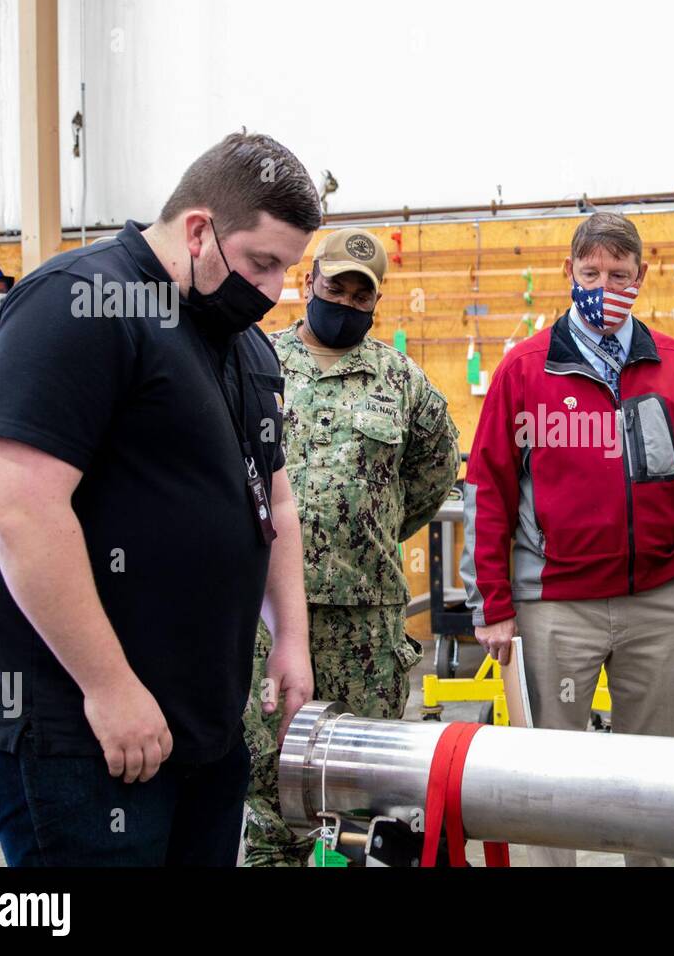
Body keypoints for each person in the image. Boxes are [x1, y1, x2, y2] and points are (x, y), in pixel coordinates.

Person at [0, 131, 319, 865]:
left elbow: (272, 500)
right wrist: (110, 686)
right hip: (79, 734)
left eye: (286, 268)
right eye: (261, 262)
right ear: (197, 231)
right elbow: (21, 507)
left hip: (201, 727)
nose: (275, 290)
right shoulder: (80, 304)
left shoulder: (240, 341)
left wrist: (291, 637)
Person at [461, 212, 674, 866]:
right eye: (591, 274)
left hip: (661, 603)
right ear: (569, 275)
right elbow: (488, 487)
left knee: (654, 774)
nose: (604, 286)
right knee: (553, 780)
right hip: (558, 608)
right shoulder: (525, 370)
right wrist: (492, 604)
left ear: (641, 278)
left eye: (619, 274)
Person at [243, 228, 460, 866]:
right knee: (271, 794)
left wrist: (369, 531)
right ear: (309, 282)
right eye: (335, 286)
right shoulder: (257, 362)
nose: (345, 300)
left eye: (359, 294)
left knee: (366, 805)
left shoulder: (403, 381)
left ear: (375, 302)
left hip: (366, 626)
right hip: (266, 619)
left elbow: (434, 473)